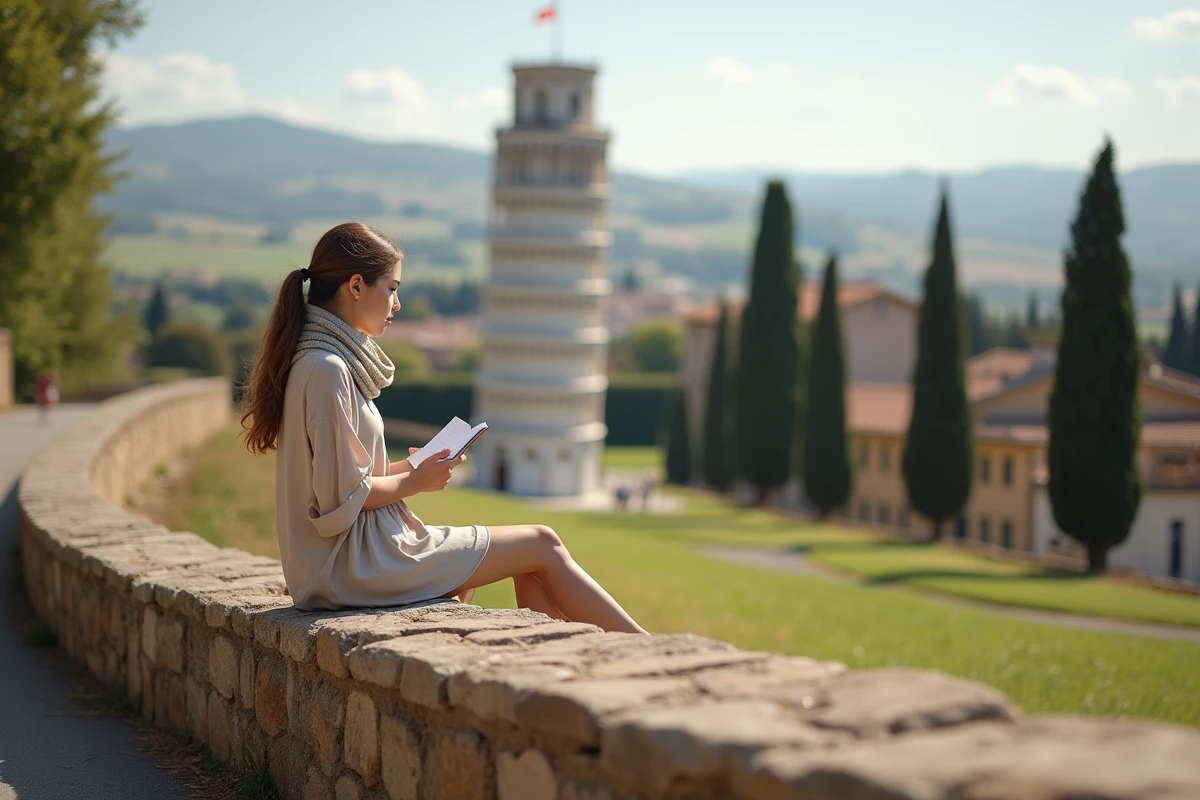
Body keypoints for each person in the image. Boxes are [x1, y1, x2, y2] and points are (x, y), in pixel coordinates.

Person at [240, 222, 645, 634]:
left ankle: (576, 669)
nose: (396, 303)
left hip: (346, 560)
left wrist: (411, 468)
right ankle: (646, 649)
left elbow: (344, 479)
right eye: (392, 288)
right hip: (348, 566)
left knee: (531, 563)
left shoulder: (319, 360)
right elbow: (339, 499)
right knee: (543, 542)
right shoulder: (327, 369)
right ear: (356, 286)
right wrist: (417, 481)